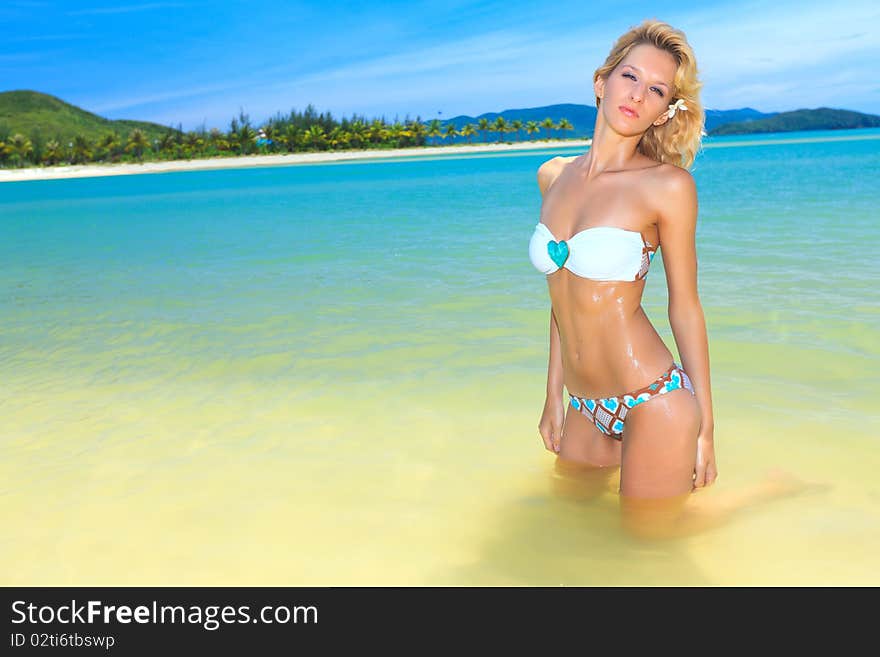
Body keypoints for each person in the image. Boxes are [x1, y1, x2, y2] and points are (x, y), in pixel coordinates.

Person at [529, 19, 716, 530]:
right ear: (600, 82)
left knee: (645, 551)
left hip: (654, 399)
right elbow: (560, 297)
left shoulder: (668, 187)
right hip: (584, 402)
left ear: (663, 113)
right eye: (629, 77)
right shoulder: (553, 176)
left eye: (656, 90)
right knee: (567, 527)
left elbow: (685, 306)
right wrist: (553, 396)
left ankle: (764, 500)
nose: (638, 95)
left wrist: (706, 427)